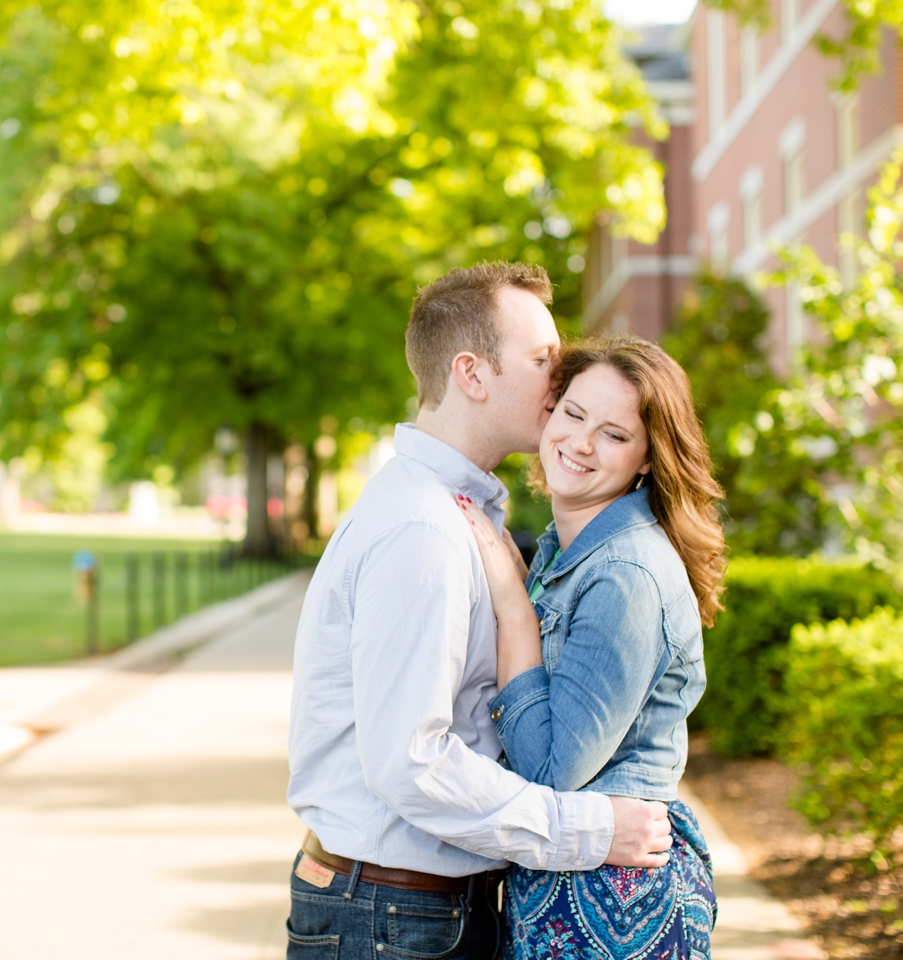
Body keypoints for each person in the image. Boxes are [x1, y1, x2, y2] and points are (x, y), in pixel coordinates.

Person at [286, 264, 674, 960]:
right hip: (395, 918)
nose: (561, 383)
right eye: (541, 361)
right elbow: (413, 763)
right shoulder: (425, 529)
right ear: (472, 373)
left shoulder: (451, 515)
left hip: (400, 913)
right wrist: (588, 830)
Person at [455, 336, 726, 959]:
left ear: (648, 459)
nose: (579, 443)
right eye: (573, 414)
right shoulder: (566, 550)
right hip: (569, 879)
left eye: (613, 434)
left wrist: (515, 612)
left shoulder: (624, 575)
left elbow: (553, 776)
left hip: (616, 897)